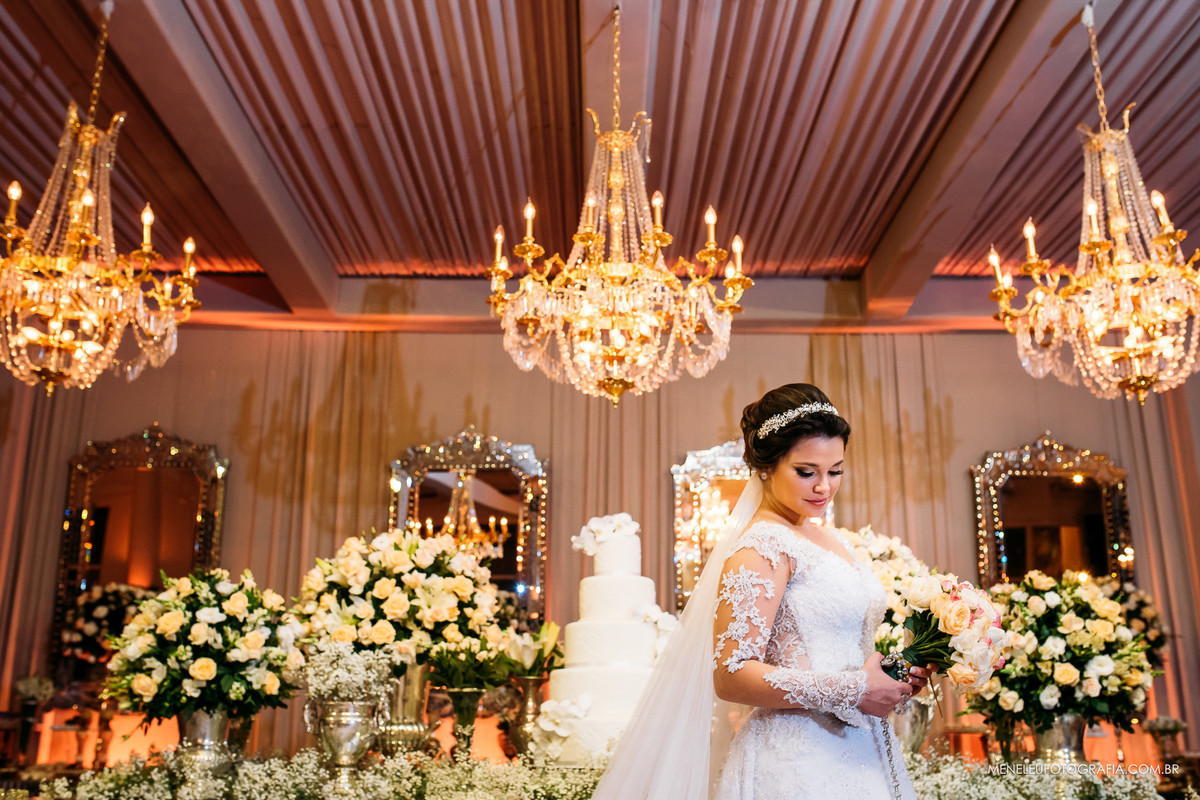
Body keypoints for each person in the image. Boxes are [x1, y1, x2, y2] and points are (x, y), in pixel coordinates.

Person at [590, 383, 929, 800]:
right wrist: (856, 689)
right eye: (806, 472)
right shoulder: (761, 547)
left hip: (864, 750)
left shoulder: (828, 537)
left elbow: (845, 649)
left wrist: (894, 677)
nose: (824, 487)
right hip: (797, 760)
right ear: (766, 467)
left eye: (835, 470)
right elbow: (731, 676)